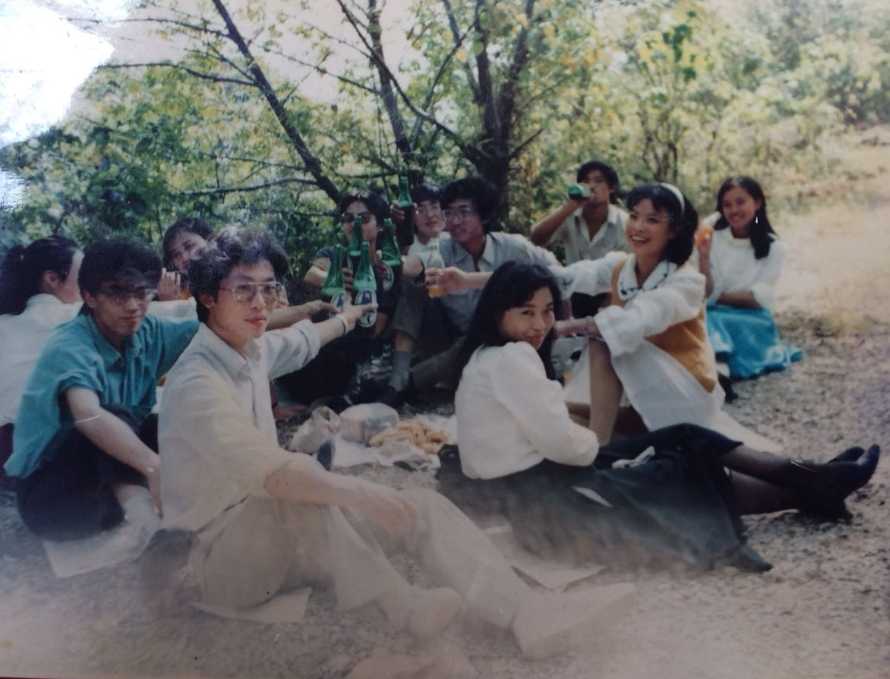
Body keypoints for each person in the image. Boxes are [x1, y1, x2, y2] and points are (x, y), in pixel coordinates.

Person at [159, 228, 635, 659]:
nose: (261, 303)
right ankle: (404, 608)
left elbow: (304, 339)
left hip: (286, 549)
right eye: (244, 290)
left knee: (418, 507)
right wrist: (362, 491)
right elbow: (271, 474)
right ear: (207, 297)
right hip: (226, 562)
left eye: (269, 289)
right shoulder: (196, 382)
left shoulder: (251, 348)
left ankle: (527, 613)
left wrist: (350, 317)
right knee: (299, 492)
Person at [444, 261, 880, 572]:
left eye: (546, 311)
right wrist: (596, 446)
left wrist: (590, 447)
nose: (540, 324)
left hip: (536, 504)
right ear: (497, 313)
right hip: (554, 506)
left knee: (683, 437)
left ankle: (813, 482)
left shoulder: (484, 357)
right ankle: (813, 483)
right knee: (674, 464)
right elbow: (569, 448)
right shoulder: (512, 358)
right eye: (526, 313)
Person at [4, 238, 200, 541]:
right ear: (90, 296)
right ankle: (148, 526)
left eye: (141, 292)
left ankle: (189, 500)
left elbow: (215, 327)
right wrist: (154, 467)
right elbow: (86, 413)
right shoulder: (69, 339)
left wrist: (279, 312)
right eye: (117, 293)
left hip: (100, 495)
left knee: (163, 422)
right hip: (52, 501)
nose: (132, 305)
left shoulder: (144, 330)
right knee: (106, 415)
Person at [555, 183, 766, 446]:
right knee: (564, 415)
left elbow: (637, 320)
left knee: (603, 339)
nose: (638, 227)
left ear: (674, 230)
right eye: (634, 216)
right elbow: (566, 278)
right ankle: (611, 443)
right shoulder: (619, 266)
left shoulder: (687, 281)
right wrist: (513, 277)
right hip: (640, 392)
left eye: (652, 220)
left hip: (683, 394)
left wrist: (564, 328)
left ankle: (599, 450)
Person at [380, 176, 559, 406]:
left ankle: (397, 385)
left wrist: (564, 320)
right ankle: (398, 376)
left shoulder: (514, 248)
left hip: (501, 346)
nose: (455, 221)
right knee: (412, 286)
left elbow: (558, 276)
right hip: (448, 342)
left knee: (472, 342)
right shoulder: (442, 248)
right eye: (449, 212)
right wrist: (386, 260)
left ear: (483, 215)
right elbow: (413, 265)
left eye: (464, 212)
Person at [281, 190, 397, 408]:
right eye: (348, 218)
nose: (355, 224)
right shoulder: (334, 254)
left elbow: (375, 328)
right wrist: (334, 280)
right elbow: (311, 274)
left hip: (355, 355)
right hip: (321, 347)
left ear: (381, 225)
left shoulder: (387, 269)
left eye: (364, 218)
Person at [697, 176, 801, 379]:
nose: (734, 210)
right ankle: (718, 372)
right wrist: (703, 256)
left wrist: (716, 297)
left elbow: (757, 299)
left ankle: (719, 372)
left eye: (740, 202)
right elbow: (704, 289)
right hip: (714, 313)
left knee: (711, 320)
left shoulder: (775, 248)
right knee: (700, 319)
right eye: (727, 205)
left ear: (757, 202)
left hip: (751, 319)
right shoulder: (713, 239)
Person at [0, 237, 83, 489]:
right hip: (43, 453)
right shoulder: (71, 316)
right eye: (82, 274)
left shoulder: (4, 322)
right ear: (52, 279)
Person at [530, 160, 629, 318]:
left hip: (609, 294)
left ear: (611, 188)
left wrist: (605, 314)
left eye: (598, 181)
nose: (591, 186)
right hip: (570, 293)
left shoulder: (624, 223)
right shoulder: (569, 214)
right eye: (586, 181)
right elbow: (536, 239)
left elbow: (627, 273)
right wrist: (569, 207)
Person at [158, 216, 215, 300]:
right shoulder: (177, 293)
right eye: (176, 255)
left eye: (189, 247)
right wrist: (168, 302)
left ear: (208, 239)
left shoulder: (229, 274)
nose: (184, 257)